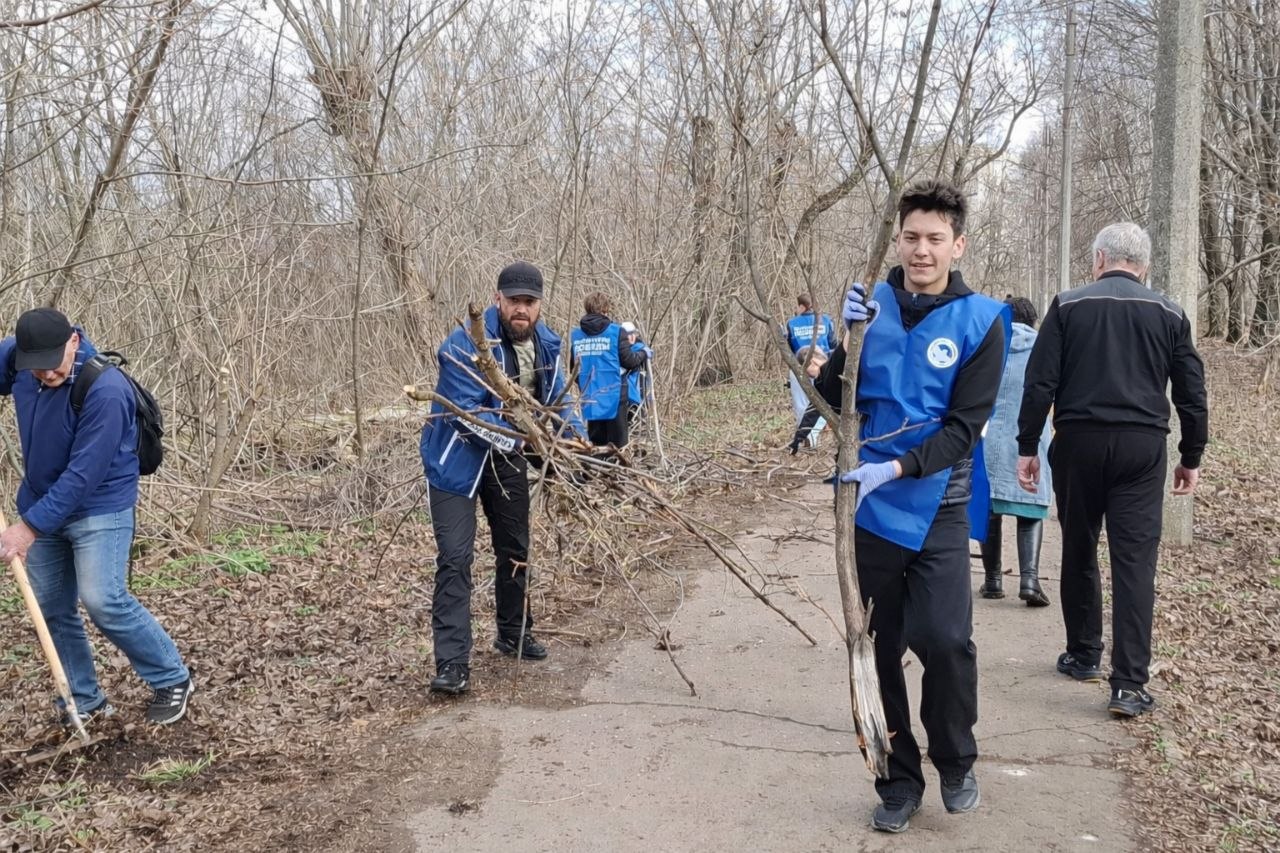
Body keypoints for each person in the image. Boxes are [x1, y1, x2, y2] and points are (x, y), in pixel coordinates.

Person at [816, 179, 1010, 833]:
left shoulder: (983, 320)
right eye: (911, 237)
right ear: (897, 240)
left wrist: (894, 466)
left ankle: (956, 758)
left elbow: (962, 428)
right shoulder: (873, 305)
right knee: (879, 645)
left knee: (944, 639)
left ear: (957, 243)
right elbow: (827, 392)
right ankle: (898, 779)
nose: (921, 250)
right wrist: (848, 338)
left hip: (937, 505)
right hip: (867, 511)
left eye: (934, 239)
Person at [1016, 222, 1208, 718]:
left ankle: (1083, 654)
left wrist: (1026, 446)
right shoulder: (1169, 312)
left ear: (1099, 259)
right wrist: (1191, 455)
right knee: (1134, 562)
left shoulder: (1068, 305)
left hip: (1078, 440)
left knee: (1080, 547)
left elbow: (1040, 383)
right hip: (1142, 449)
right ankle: (1127, 684)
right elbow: (1191, 391)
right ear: (1143, 266)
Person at [0, 308, 193, 726]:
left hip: (99, 504)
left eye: (52, 366)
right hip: (40, 499)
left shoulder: (105, 389)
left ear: (73, 341)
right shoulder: (21, 358)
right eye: (36, 369)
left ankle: (172, 677)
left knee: (104, 599)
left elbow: (83, 476)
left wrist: (29, 528)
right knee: (51, 605)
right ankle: (84, 699)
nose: (45, 375)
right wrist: (35, 518)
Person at [419, 261, 584, 695]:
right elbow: (471, 416)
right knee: (455, 558)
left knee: (515, 547)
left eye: (529, 303)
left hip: (507, 458)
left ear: (539, 305)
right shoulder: (461, 345)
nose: (521, 310)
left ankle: (514, 632)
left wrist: (576, 444)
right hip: (455, 462)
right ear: (497, 300)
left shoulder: (546, 343)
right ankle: (452, 663)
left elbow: (557, 401)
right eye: (513, 301)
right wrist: (529, 442)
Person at [978, 296, 1052, 607]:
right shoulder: (1046, 348)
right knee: (1031, 506)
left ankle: (993, 579)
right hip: (1031, 438)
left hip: (991, 437)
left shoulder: (990, 345)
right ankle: (1029, 579)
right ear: (1034, 320)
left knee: (991, 508)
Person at [570, 293, 647, 448]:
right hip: (615, 394)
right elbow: (630, 361)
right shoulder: (616, 332)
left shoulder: (577, 335)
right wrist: (644, 353)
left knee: (596, 443)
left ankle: (597, 470)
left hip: (591, 395)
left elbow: (575, 369)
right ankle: (618, 471)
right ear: (605, 310)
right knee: (618, 445)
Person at [785, 293, 838, 448]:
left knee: (801, 404)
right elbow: (833, 345)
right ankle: (813, 434)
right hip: (824, 368)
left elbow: (787, 350)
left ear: (801, 306)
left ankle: (805, 436)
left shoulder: (791, 324)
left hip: (800, 369)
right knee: (823, 402)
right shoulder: (826, 321)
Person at [619, 321, 653, 425]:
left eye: (634, 333)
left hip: (638, 392)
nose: (632, 337)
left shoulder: (641, 348)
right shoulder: (619, 351)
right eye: (629, 334)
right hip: (624, 395)